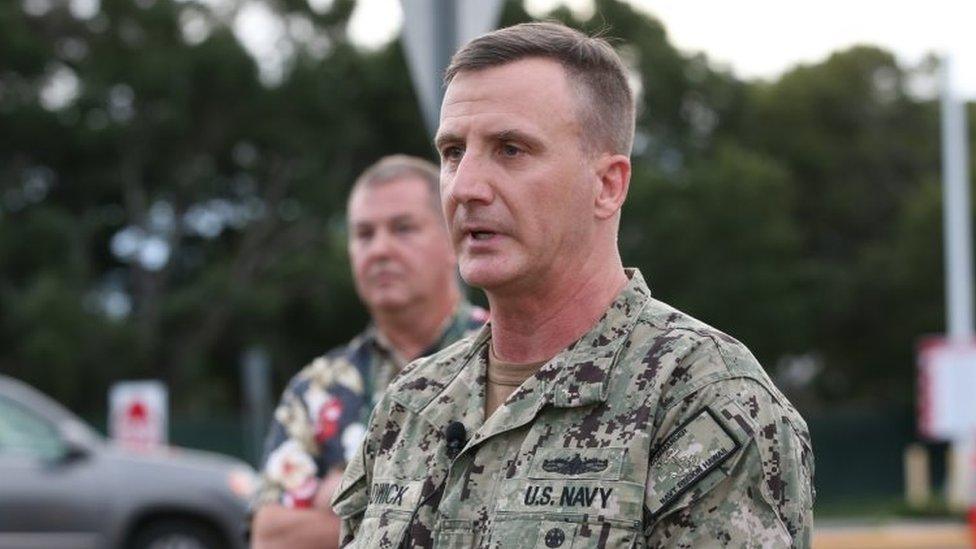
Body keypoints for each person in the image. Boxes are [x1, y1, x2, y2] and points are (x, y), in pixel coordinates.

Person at [331, 22, 815, 549]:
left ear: (607, 185)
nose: (465, 186)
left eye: (510, 149)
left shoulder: (701, 402)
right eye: (452, 153)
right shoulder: (410, 405)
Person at [250, 155, 487, 549]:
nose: (380, 249)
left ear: (452, 239)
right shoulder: (319, 387)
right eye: (364, 234)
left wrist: (347, 502)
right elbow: (270, 536)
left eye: (403, 228)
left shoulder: (510, 353)